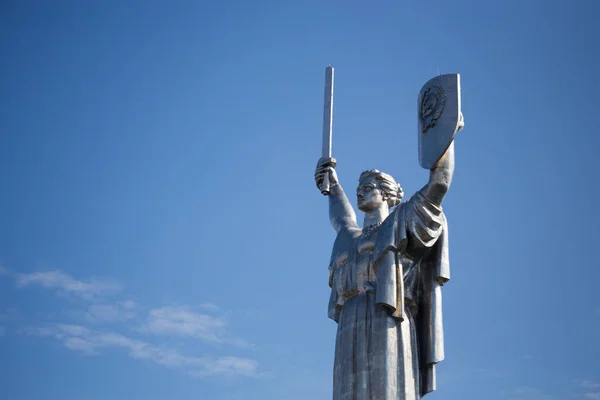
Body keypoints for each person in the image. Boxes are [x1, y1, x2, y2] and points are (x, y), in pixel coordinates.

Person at [314, 142, 455, 400]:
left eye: (367, 188)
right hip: (351, 318)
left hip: (388, 312)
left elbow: (440, 183)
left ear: (386, 194)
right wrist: (332, 185)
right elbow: (341, 217)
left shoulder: (400, 221)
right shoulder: (350, 236)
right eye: (358, 189)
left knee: (386, 385)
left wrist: (443, 136)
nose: (360, 193)